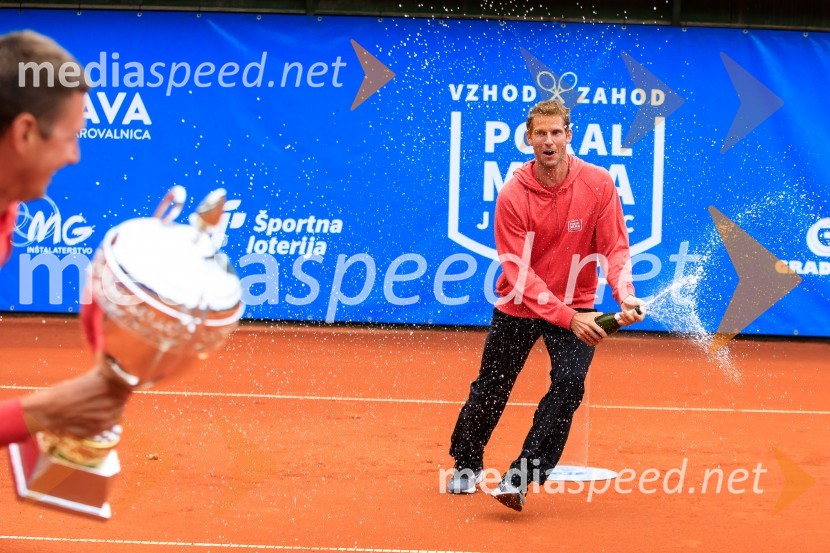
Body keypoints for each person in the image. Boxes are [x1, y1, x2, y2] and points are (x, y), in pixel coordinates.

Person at [447, 99, 646, 512]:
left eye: (557, 132)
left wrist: (624, 293)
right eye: (541, 133)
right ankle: (466, 463)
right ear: (528, 139)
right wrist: (569, 318)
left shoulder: (599, 183)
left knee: (570, 385)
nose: (549, 140)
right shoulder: (513, 195)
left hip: (577, 306)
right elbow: (518, 274)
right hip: (521, 306)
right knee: (493, 388)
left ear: (569, 136)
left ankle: (520, 478)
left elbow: (615, 248)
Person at [0, 30, 129, 448]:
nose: (75, 156)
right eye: (71, 137)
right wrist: (43, 412)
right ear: (24, 133)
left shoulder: (8, 208)